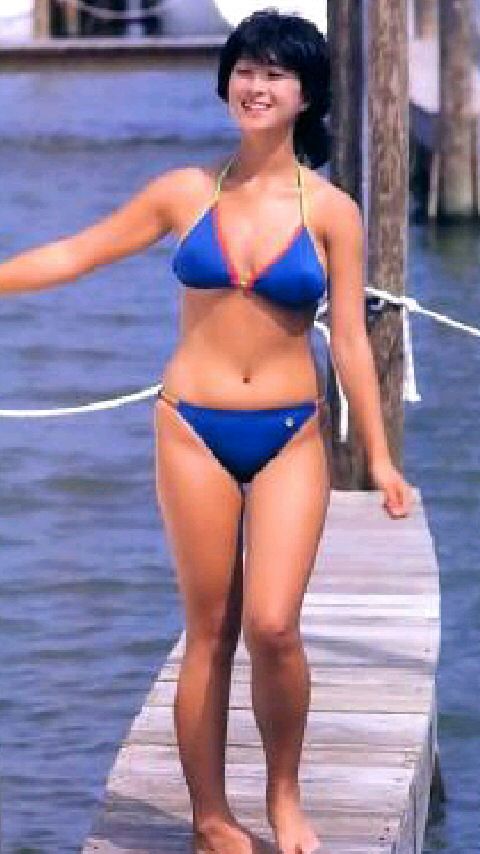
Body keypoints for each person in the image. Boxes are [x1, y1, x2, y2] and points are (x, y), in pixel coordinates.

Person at [0, 9, 414, 853]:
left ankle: (285, 798)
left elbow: (351, 344)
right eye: (245, 70)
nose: (256, 86)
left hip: (292, 432)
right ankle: (211, 818)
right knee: (212, 630)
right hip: (191, 427)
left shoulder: (332, 211)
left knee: (275, 626)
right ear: (227, 82)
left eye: (275, 74)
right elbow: (76, 253)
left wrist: (379, 457)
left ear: (306, 95)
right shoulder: (183, 192)